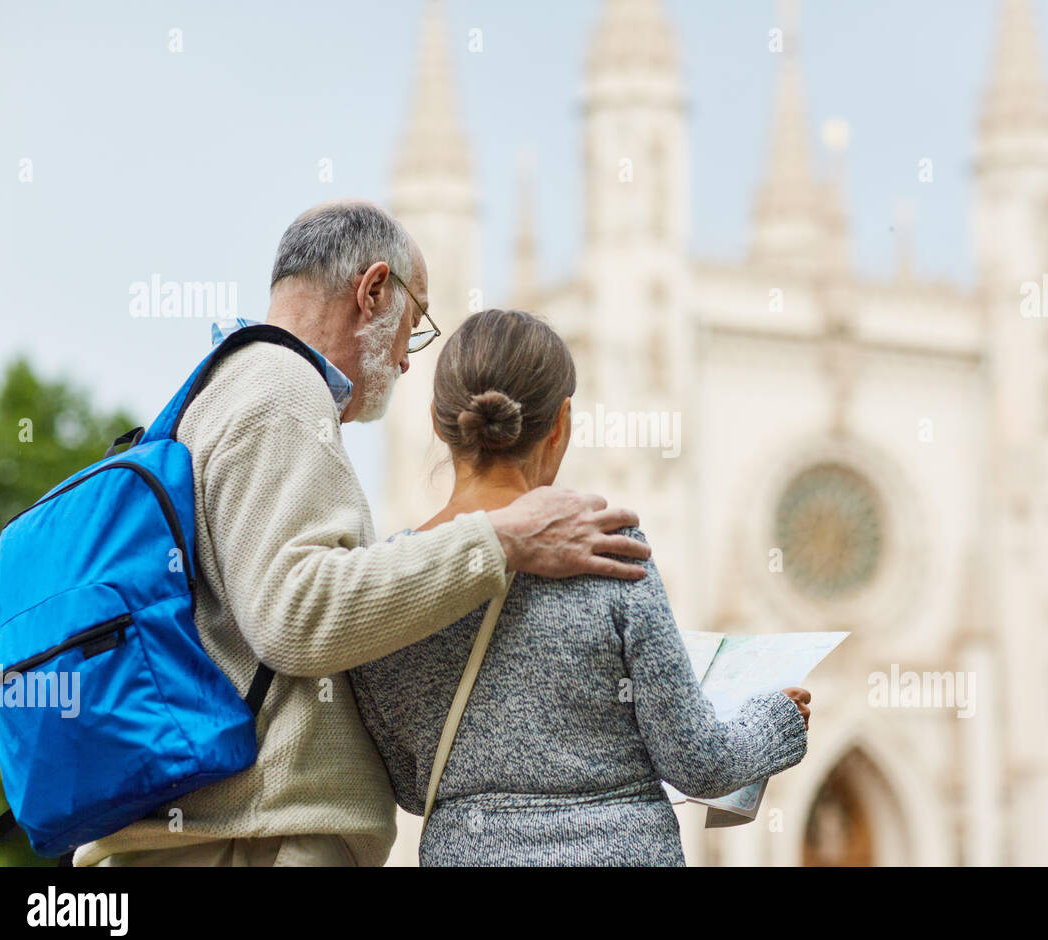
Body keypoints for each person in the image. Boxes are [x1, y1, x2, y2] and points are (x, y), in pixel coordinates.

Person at [76, 201, 650, 867]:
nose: (407, 360)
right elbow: (295, 614)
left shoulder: (230, 383)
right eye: (414, 324)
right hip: (255, 846)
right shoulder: (283, 388)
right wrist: (501, 540)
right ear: (373, 290)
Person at [349, 309, 812, 866]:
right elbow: (700, 763)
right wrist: (777, 721)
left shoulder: (386, 580)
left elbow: (410, 785)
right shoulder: (610, 550)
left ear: (437, 419)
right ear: (561, 423)